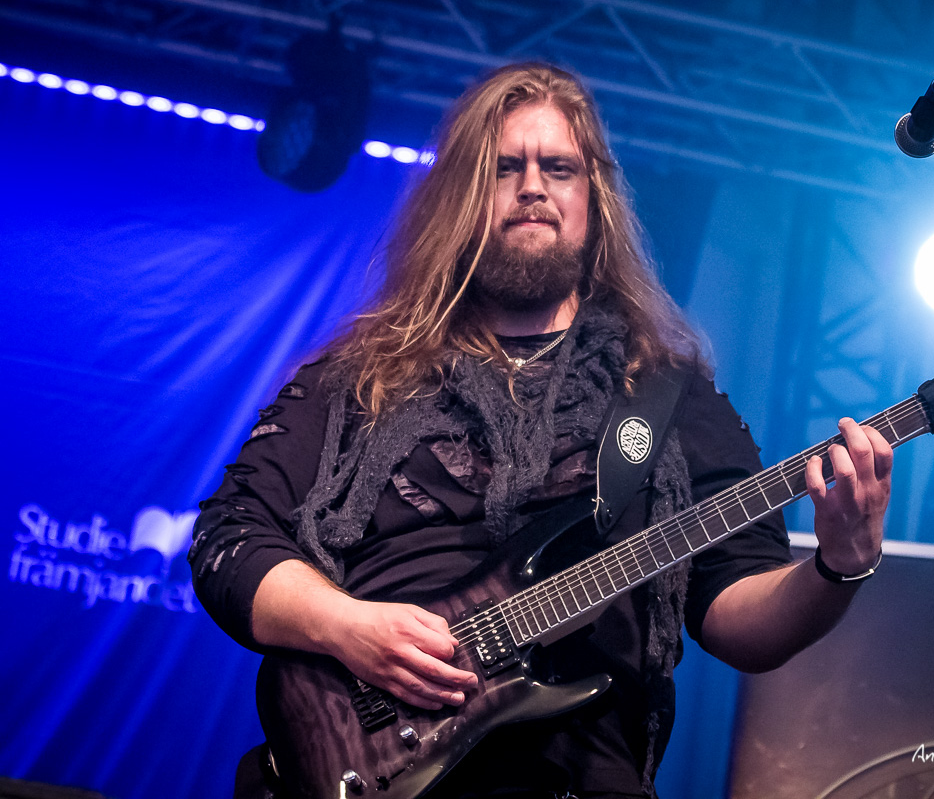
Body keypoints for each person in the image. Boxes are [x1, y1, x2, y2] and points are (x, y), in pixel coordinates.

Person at [189, 62, 892, 799]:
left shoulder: (667, 396)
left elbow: (739, 617)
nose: (533, 187)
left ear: (594, 200)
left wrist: (838, 565)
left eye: (559, 168)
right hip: (365, 766)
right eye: (504, 168)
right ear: (461, 196)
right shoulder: (359, 376)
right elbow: (228, 538)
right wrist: (347, 627)